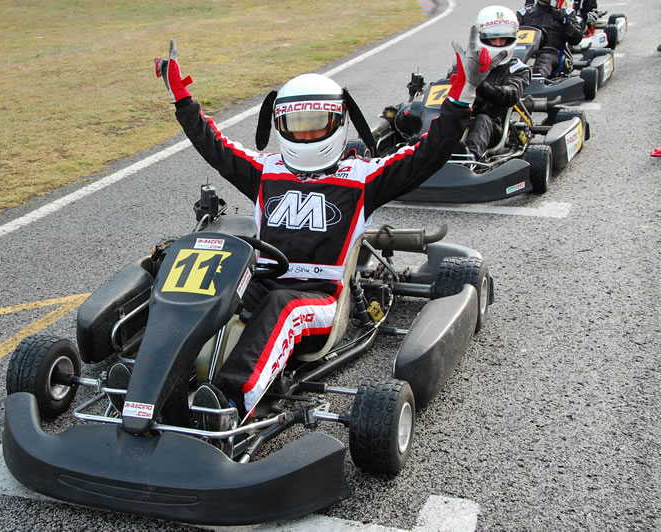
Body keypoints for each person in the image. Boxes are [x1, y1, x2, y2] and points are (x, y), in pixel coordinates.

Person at [154, 29, 504, 431]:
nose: (305, 134)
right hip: (262, 281)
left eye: (316, 123)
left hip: (321, 300)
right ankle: (160, 385)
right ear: (279, 123)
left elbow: (430, 151)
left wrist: (463, 94)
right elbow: (213, 145)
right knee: (205, 288)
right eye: (295, 124)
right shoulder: (266, 171)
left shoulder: (363, 177)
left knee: (283, 307)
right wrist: (183, 100)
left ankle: (227, 404)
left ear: (336, 122)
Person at [454, 6, 531, 161]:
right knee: (442, 115)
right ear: (481, 38)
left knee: (482, 119)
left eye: (502, 39)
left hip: (493, 126)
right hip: (461, 116)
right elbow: (447, 84)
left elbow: (511, 95)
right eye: (492, 39)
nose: (497, 43)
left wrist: (479, 84)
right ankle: (424, 151)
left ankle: (469, 159)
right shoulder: (469, 63)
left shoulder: (518, 69)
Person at [517, 0, 583, 78]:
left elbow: (576, 39)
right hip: (524, 51)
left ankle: (537, 80)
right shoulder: (524, 13)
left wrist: (565, 22)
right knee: (513, 58)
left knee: (544, 58)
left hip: (552, 54)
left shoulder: (566, 13)